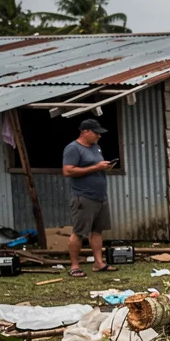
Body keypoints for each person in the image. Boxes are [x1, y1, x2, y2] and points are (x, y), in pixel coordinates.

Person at [62, 118, 116, 277]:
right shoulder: (73, 148)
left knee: (97, 231)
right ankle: (74, 266)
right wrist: (96, 168)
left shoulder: (96, 148)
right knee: (79, 232)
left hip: (100, 196)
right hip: (84, 197)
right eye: (96, 133)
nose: (99, 136)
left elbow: (95, 167)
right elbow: (68, 171)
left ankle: (99, 263)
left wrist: (104, 168)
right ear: (85, 132)